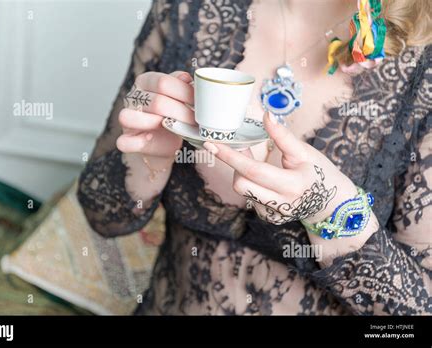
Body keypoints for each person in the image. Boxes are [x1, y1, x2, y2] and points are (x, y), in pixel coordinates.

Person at [78, 0, 432, 315]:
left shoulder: (422, 70)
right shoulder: (188, 11)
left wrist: (329, 209)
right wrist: (148, 161)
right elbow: (103, 216)